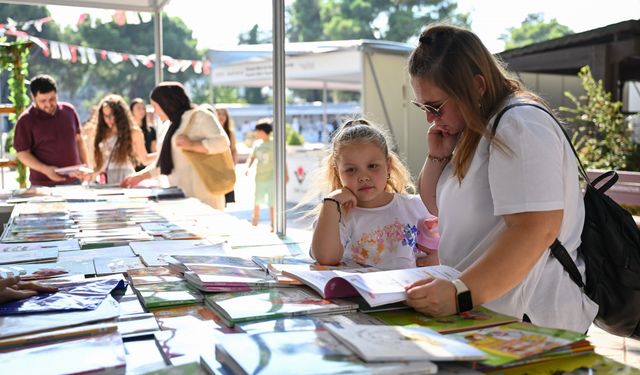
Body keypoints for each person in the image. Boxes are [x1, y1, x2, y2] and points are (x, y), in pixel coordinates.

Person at [404, 24, 597, 332]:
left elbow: (535, 230)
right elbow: (440, 208)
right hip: (490, 309)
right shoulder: (479, 127)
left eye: (435, 106)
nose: (430, 118)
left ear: (477, 86)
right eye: (423, 107)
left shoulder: (520, 124)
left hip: (530, 318)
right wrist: (438, 156)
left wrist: (460, 293)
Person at [310, 119, 436, 270]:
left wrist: (439, 257)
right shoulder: (338, 215)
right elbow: (325, 258)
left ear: (388, 166)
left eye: (372, 166)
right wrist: (330, 202)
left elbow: (453, 244)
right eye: (351, 169)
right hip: (357, 293)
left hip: (408, 292)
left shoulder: (416, 206)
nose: (363, 176)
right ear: (338, 172)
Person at [120, 82, 230, 210]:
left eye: (156, 106)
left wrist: (193, 145)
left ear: (167, 103)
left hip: (204, 196)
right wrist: (139, 177)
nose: (154, 111)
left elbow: (222, 142)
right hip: (180, 196)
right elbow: (165, 162)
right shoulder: (169, 125)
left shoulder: (200, 116)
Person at [13, 74, 90, 186]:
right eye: (43, 101)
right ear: (33, 97)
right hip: (42, 185)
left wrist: (85, 166)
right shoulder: (26, 120)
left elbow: (79, 140)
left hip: (74, 182)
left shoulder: (69, 111)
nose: (48, 104)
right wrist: (45, 169)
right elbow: (22, 154)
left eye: (52, 99)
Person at [93, 94, 155, 185]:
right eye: (105, 116)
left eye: (111, 115)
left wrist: (162, 154)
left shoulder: (134, 133)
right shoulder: (102, 134)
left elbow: (144, 159)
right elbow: (99, 164)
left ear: (119, 115)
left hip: (126, 178)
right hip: (107, 179)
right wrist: (91, 173)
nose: (108, 120)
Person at [244, 118, 288, 230]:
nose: (256, 133)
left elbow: (282, 159)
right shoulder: (257, 144)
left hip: (271, 177)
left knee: (272, 202)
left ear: (263, 131)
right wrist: (247, 167)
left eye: (257, 130)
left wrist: (285, 174)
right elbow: (252, 157)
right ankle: (254, 222)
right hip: (259, 177)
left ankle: (273, 224)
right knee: (257, 200)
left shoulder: (274, 144)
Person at [215, 107, 237, 205]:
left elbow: (233, 150)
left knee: (224, 197)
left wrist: (233, 166)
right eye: (219, 114)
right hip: (214, 166)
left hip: (226, 167)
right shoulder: (212, 130)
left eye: (224, 114)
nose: (221, 116)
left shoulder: (230, 131)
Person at [130, 98, 158, 171]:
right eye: (138, 108)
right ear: (132, 111)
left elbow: (153, 150)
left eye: (143, 108)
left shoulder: (151, 130)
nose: (142, 111)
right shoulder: (128, 131)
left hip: (147, 168)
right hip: (132, 167)